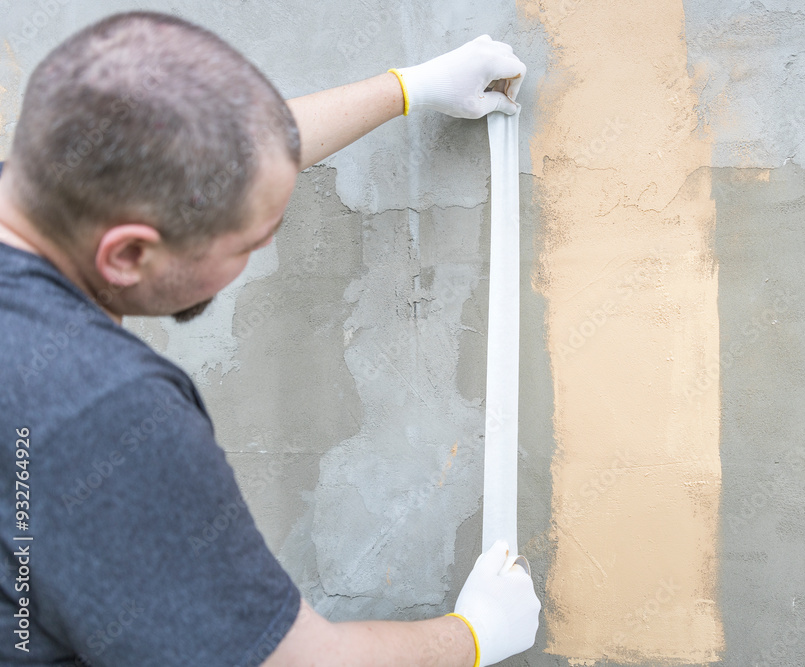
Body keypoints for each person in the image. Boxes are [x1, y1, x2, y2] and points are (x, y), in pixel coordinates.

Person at [0, 11, 538, 667]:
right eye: (246, 245)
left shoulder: (47, 185)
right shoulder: (104, 410)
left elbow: (217, 160)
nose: (256, 256)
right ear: (129, 253)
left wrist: (409, 87)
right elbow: (285, 661)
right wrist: (473, 635)